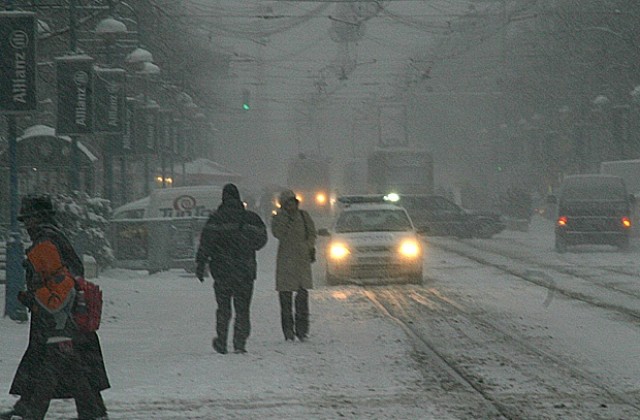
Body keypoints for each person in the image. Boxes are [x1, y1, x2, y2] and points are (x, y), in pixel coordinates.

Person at [1, 195, 110, 420]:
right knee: (75, 367)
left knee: (49, 366)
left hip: (56, 317)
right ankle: (91, 411)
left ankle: (30, 411)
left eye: (28, 219)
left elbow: (55, 281)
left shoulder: (46, 242)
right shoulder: (56, 237)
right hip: (66, 315)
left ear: (39, 218)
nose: (26, 225)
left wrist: (34, 297)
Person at [195, 184, 268, 354]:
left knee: (223, 307)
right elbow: (262, 240)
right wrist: (246, 246)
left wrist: (201, 264)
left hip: (222, 271)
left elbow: (206, 244)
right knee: (242, 308)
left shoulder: (215, 219)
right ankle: (239, 342)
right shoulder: (250, 218)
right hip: (245, 270)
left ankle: (222, 340)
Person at [271, 189, 316, 342]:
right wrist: (284, 217)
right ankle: (288, 331)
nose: (291, 205)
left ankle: (302, 330)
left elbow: (312, 233)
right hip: (285, 262)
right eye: (287, 203)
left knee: (302, 298)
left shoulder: (304, 216)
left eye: (292, 202)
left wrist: (307, 247)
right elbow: (278, 233)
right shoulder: (278, 218)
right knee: (285, 300)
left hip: (301, 262)